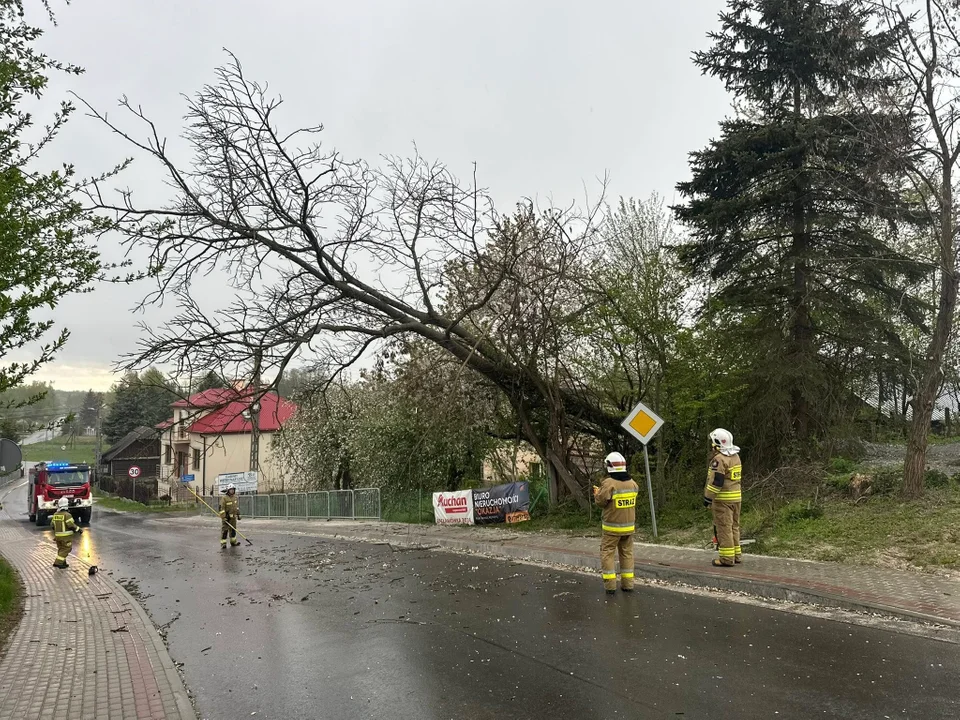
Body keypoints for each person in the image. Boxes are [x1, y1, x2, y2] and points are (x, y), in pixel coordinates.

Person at [593, 452, 640, 595]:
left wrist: (597, 494)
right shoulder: (632, 483)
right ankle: (628, 584)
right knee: (627, 554)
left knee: (607, 554)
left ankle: (610, 586)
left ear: (610, 466)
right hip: (629, 528)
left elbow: (601, 502)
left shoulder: (609, 483)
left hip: (612, 528)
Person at [703, 428, 743, 567]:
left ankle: (726, 559)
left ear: (717, 443)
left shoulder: (719, 459)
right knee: (734, 527)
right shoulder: (735, 457)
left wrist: (708, 498)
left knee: (724, 528)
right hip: (736, 498)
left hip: (723, 500)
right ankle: (736, 555)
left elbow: (716, 482)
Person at [50, 498, 81, 568]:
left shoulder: (55, 514)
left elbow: (52, 525)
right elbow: (71, 525)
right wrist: (78, 529)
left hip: (57, 537)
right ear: (66, 505)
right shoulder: (67, 515)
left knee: (61, 549)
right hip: (65, 537)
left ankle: (63, 562)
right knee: (67, 549)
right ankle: (58, 563)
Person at [219, 483, 241, 548]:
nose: (232, 491)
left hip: (233, 518)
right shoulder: (224, 498)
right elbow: (221, 508)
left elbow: (236, 507)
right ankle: (223, 544)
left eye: (233, 490)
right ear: (228, 490)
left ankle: (233, 542)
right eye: (231, 490)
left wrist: (238, 514)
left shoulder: (235, 498)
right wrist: (223, 517)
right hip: (227, 518)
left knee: (233, 531)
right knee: (225, 531)